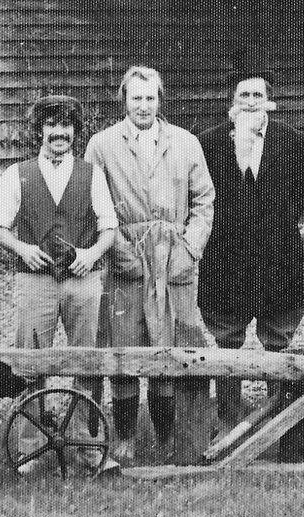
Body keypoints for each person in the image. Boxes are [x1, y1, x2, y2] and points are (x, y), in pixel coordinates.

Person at [198, 68, 304, 462]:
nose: (250, 102)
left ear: (270, 101)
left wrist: (267, 227)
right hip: (226, 258)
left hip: (276, 256)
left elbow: (298, 197)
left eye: (257, 95)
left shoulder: (293, 142)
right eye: (243, 95)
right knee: (228, 340)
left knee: (277, 339)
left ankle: (281, 419)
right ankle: (229, 418)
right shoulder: (210, 143)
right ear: (232, 103)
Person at [85, 65, 215, 465]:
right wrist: (119, 252)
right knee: (126, 342)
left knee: (170, 342)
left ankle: (167, 431)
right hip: (124, 254)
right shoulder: (102, 145)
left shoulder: (185, 142)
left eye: (150, 98)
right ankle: (123, 435)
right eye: (136, 98)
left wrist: (190, 249)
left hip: (173, 256)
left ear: (160, 100)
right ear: (124, 100)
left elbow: (204, 201)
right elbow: (92, 203)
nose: (143, 106)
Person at [0, 94, 119, 474]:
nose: (59, 133)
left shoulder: (92, 174)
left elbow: (108, 228)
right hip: (35, 281)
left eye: (66, 126)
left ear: (76, 132)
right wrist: (22, 248)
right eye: (51, 126)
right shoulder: (17, 174)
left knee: (85, 361)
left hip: (83, 280)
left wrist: (92, 255)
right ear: (39, 131)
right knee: (31, 364)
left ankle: (86, 443)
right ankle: (30, 446)